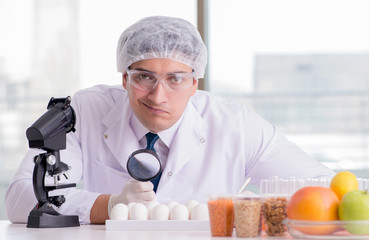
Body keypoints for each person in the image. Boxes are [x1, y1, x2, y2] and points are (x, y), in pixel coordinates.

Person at [5, 16, 334, 224]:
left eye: (175, 79)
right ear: (124, 79)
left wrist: (253, 210)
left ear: (195, 83)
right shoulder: (85, 111)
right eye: (144, 77)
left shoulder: (237, 126)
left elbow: (327, 188)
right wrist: (111, 205)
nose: (157, 96)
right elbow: (20, 198)